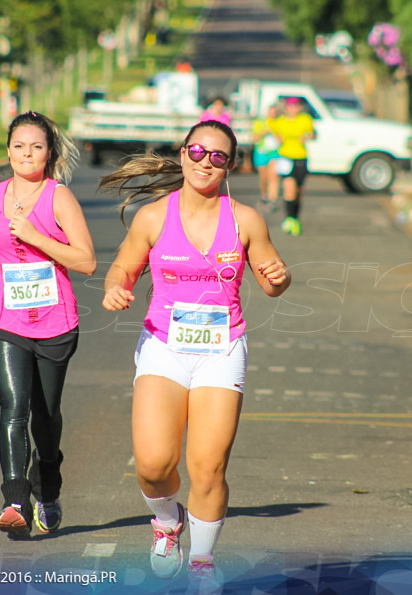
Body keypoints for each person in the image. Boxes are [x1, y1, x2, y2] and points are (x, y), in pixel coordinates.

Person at [99, 120, 291, 587]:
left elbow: (270, 283)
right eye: (199, 152)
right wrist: (116, 289)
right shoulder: (153, 217)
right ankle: (167, 522)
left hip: (221, 350)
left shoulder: (245, 220)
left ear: (230, 167)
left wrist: (277, 279)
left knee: (207, 465)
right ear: (183, 155)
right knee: (153, 464)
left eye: (219, 156)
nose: (207, 162)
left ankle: (203, 560)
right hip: (164, 346)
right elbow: (122, 269)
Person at [0, 111, 96, 536]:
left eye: (36, 146)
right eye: (19, 146)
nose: (27, 153)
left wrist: (37, 237)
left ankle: (49, 486)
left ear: (49, 153)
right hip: (2, 316)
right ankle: (15, 499)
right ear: (8, 151)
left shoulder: (59, 198)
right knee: (13, 406)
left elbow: (87, 262)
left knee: (46, 415)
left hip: (55, 321)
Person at [267, 97, 316, 235]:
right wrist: (276, 135)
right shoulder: (280, 121)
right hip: (285, 157)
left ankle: (295, 218)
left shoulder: (305, 119)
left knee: (298, 192)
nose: (293, 109)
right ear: (286, 108)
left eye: (296, 106)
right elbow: (268, 124)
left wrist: (308, 135)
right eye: (291, 106)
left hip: (300, 157)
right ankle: (289, 219)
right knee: (289, 187)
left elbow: (312, 134)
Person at [251, 103, 281, 209]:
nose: (272, 114)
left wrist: (274, 133)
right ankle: (264, 196)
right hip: (261, 151)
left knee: (273, 177)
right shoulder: (260, 122)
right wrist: (265, 132)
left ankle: (272, 199)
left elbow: (282, 139)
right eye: (271, 111)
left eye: (274, 112)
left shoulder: (279, 122)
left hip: (274, 152)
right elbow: (255, 138)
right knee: (264, 177)